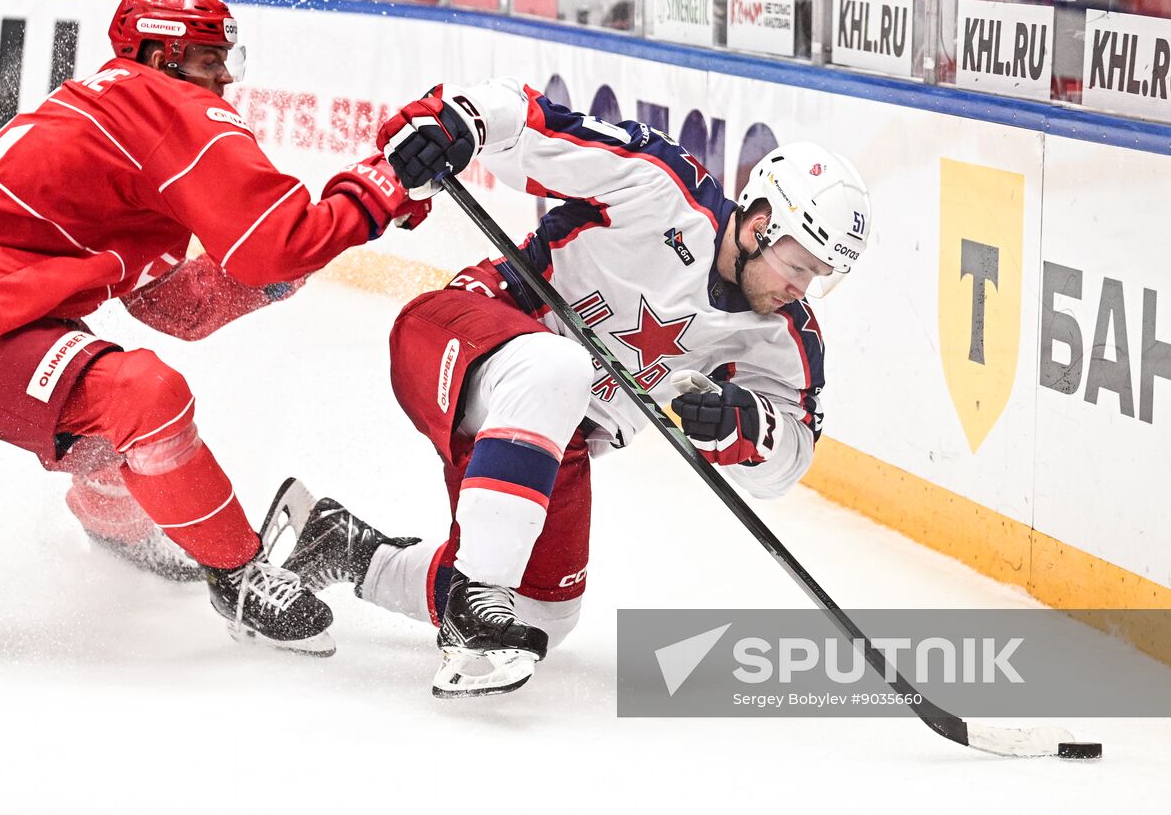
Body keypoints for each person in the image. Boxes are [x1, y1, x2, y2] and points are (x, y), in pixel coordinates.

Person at [265, 79, 871, 695]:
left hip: (555, 439)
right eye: (799, 265)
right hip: (460, 335)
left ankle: (346, 549)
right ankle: (476, 601)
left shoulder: (781, 336)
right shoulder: (661, 187)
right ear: (760, 224)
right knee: (559, 366)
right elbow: (528, 122)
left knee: (544, 617)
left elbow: (787, 463)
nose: (801, 288)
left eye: (819, 276)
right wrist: (459, 121)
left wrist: (752, 431)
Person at [0, 0, 430, 655]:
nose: (224, 77)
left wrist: (295, 263)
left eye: (226, 59)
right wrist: (380, 189)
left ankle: (116, 530)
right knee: (145, 397)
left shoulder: (122, 116)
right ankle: (240, 578)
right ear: (158, 55)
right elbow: (274, 244)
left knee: (108, 414)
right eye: (207, 59)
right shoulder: (167, 108)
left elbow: (180, 306)